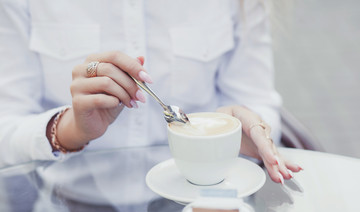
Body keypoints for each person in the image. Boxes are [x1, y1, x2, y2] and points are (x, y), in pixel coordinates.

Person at [0, 0, 301, 184]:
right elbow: (6, 129)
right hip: (64, 208)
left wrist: (238, 128)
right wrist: (69, 129)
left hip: (202, 208)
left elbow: (256, 100)